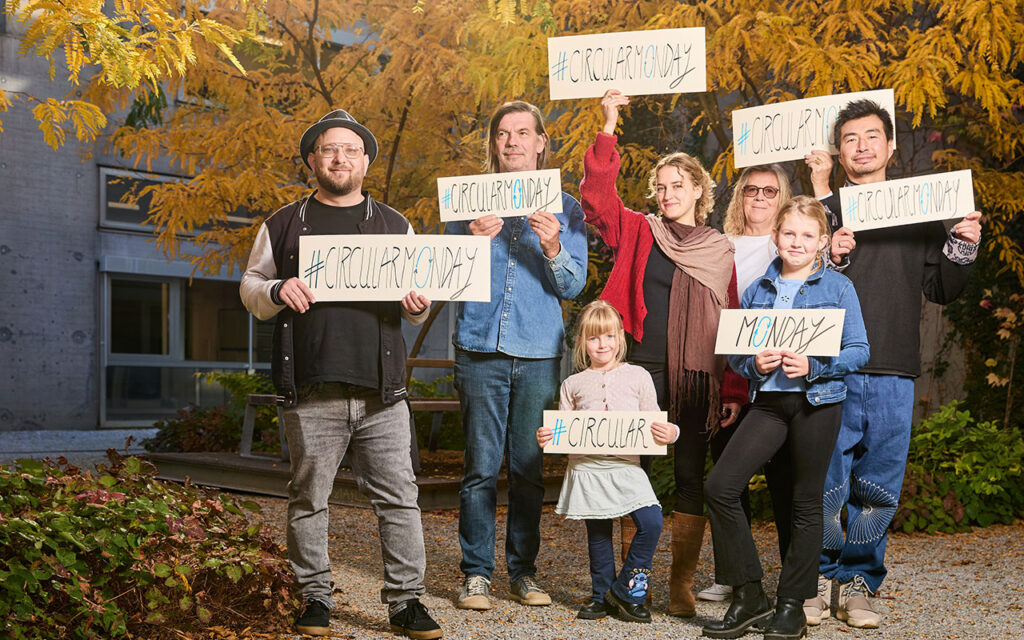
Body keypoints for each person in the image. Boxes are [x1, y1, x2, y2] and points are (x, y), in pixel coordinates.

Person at [240, 109, 442, 639]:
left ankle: (407, 603)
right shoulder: (283, 223)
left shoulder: (395, 224)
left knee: (399, 498)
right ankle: (315, 598)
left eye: (351, 150)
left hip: (382, 392)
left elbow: (416, 304)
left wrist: (418, 303)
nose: (339, 158)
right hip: (311, 388)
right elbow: (251, 286)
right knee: (309, 498)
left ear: (366, 161)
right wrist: (276, 289)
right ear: (313, 159)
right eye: (329, 149)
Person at [802, 99, 982, 628]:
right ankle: (813, 580)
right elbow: (793, 284)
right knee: (823, 482)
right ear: (840, 150)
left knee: (877, 485)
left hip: (894, 369)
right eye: (851, 138)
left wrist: (962, 246)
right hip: (828, 367)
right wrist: (827, 256)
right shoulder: (823, 210)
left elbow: (941, 288)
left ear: (891, 146)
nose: (861, 146)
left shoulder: (921, 209)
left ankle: (859, 584)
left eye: (872, 136)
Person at [580, 89, 748, 618]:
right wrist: (608, 127)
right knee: (628, 471)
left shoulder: (720, 249)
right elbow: (597, 202)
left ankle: (679, 583)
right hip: (638, 372)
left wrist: (734, 389)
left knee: (691, 475)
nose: (667, 192)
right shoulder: (638, 229)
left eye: (678, 184)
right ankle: (630, 580)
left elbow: (734, 322)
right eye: (660, 186)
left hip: (698, 378)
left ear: (700, 189)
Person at [702, 196, 870, 640]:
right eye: (789, 233)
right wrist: (752, 366)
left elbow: (859, 350)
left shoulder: (838, 289)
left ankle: (792, 605)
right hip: (770, 406)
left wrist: (815, 367)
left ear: (820, 243)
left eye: (807, 235)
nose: (797, 242)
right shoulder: (758, 290)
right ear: (775, 236)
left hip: (818, 403)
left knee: (805, 502)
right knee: (720, 486)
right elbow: (738, 354)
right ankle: (750, 592)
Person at [446, 100, 589, 610]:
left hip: (538, 354)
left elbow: (574, 286)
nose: (512, 141)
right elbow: (443, 278)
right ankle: (476, 574)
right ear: (495, 142)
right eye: (504, 133)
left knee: (528, 469)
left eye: (523, 132)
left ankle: (523, 573)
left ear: (540, 142)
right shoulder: (467, 204)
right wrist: (470, 243)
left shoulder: (566, 208)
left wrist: (553, 247)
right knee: (481, 468)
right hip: (479, 348)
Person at [536, 300, 680, 623]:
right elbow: (563, 430)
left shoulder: (638, 376)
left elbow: (655, 422)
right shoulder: (572, 385)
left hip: (627, 466)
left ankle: (627, 590)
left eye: (610, 337)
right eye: (594, 338)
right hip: (588, 468)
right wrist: (547, 437)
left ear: (620, 338)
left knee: (652, 521)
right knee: (598, 532)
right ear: (583, 343)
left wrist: (671, 431)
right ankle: (601, 596)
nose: (603, 344)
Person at [698, 164, 795, 603]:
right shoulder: (722, 245)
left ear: (782, 197)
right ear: (739, 196)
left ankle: (797, 584)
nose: (759, 197)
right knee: (726, 480)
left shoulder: (792, 245)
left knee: (786, 486)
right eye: (751, 189)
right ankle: (731, 575)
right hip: (733, 374)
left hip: (784, 381)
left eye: (769, 191)